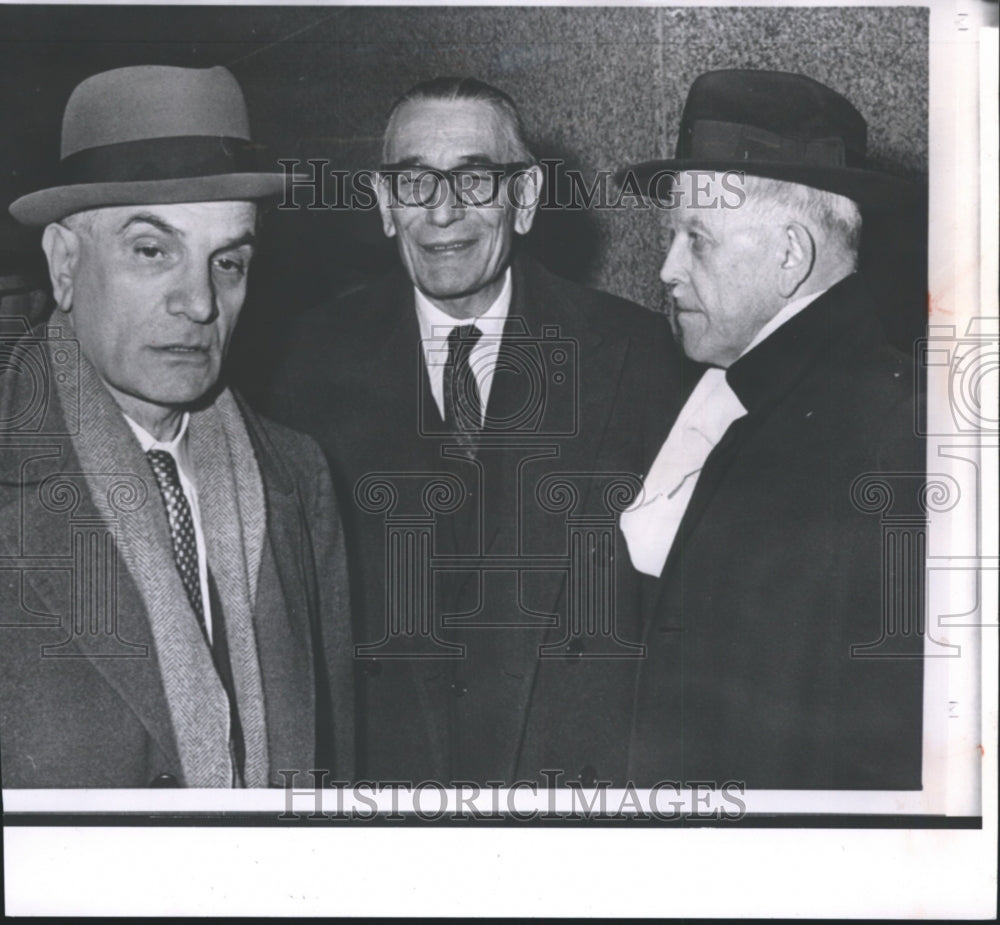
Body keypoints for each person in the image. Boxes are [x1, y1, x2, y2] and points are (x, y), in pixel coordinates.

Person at [267, 76, 683, 786]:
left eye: (474, 179)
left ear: (524, 200)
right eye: (414, 182)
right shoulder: (299, 368)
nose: (443, 212)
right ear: (383, 204)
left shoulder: (641, 360)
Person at [0, 65, 353, 788]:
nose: (198, 302)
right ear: (64, 263)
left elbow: (334, 780)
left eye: (229, 261)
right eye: (153, 250)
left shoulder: (297, 478)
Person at [618, 69, 925, 789]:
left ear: (791, 255)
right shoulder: (726, 394)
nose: (666, 268)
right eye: (672, 237)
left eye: (698, 239)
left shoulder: (899, 436)